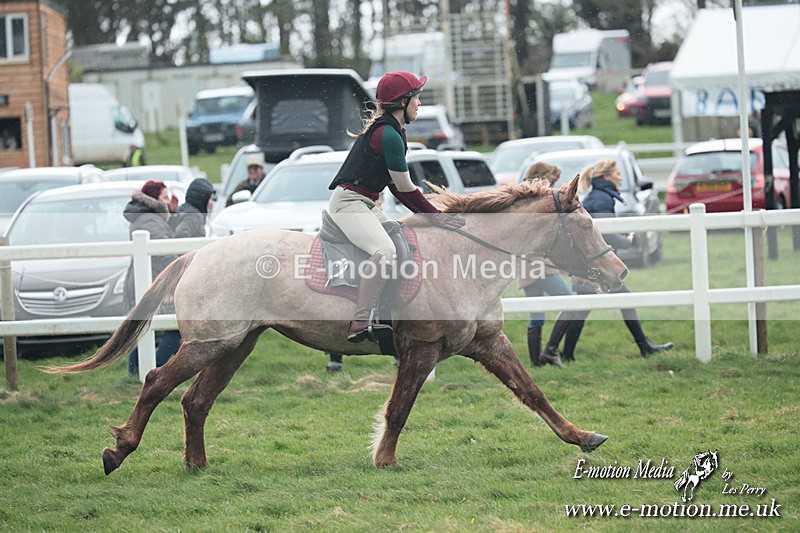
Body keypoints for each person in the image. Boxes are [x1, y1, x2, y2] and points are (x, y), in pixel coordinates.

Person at [327, 70, 464, 342]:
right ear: (402, 103)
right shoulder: (388, 135)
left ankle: (387, 312)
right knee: (385, 251)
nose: (419, 104)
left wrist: (431, 216)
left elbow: (396, 188)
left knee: (401, 242)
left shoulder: (392, 131)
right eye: (416, 98)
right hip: (349, 205)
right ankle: (360, 321)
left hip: (362, 204)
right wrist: (436, 217)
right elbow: (405, 188)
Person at [540, 160, 674, 365]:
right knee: (619, 301)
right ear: (606, 177)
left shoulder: (600, 196)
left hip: (590, 266)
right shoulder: (603, 199)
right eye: (617, 174)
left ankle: (562, 353)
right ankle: (644, 346)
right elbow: (603, 237)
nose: (620, 178)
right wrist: (626, 241)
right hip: (593, 267)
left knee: (581, 309)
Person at [517, 162, 573, 368]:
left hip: (525, 265)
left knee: (536, 314)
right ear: (542, 177)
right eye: (552, 181)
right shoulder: (535, 200)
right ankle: (550, 350)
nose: (554, 186)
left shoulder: (522, 197)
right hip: (539, 264)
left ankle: (535, 363)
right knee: (571, 303)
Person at [123, 180, 180, 378]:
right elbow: (164, 253)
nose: (167, 200)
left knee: (141, 330)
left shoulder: (148, 218)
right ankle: (155, 369)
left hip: (147, 281)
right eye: (164, 197)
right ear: (154, 200)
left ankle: (134, 373)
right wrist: (184, 267)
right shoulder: (150, 221)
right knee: (175, 327)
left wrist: (170, 213)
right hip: (153, 284)